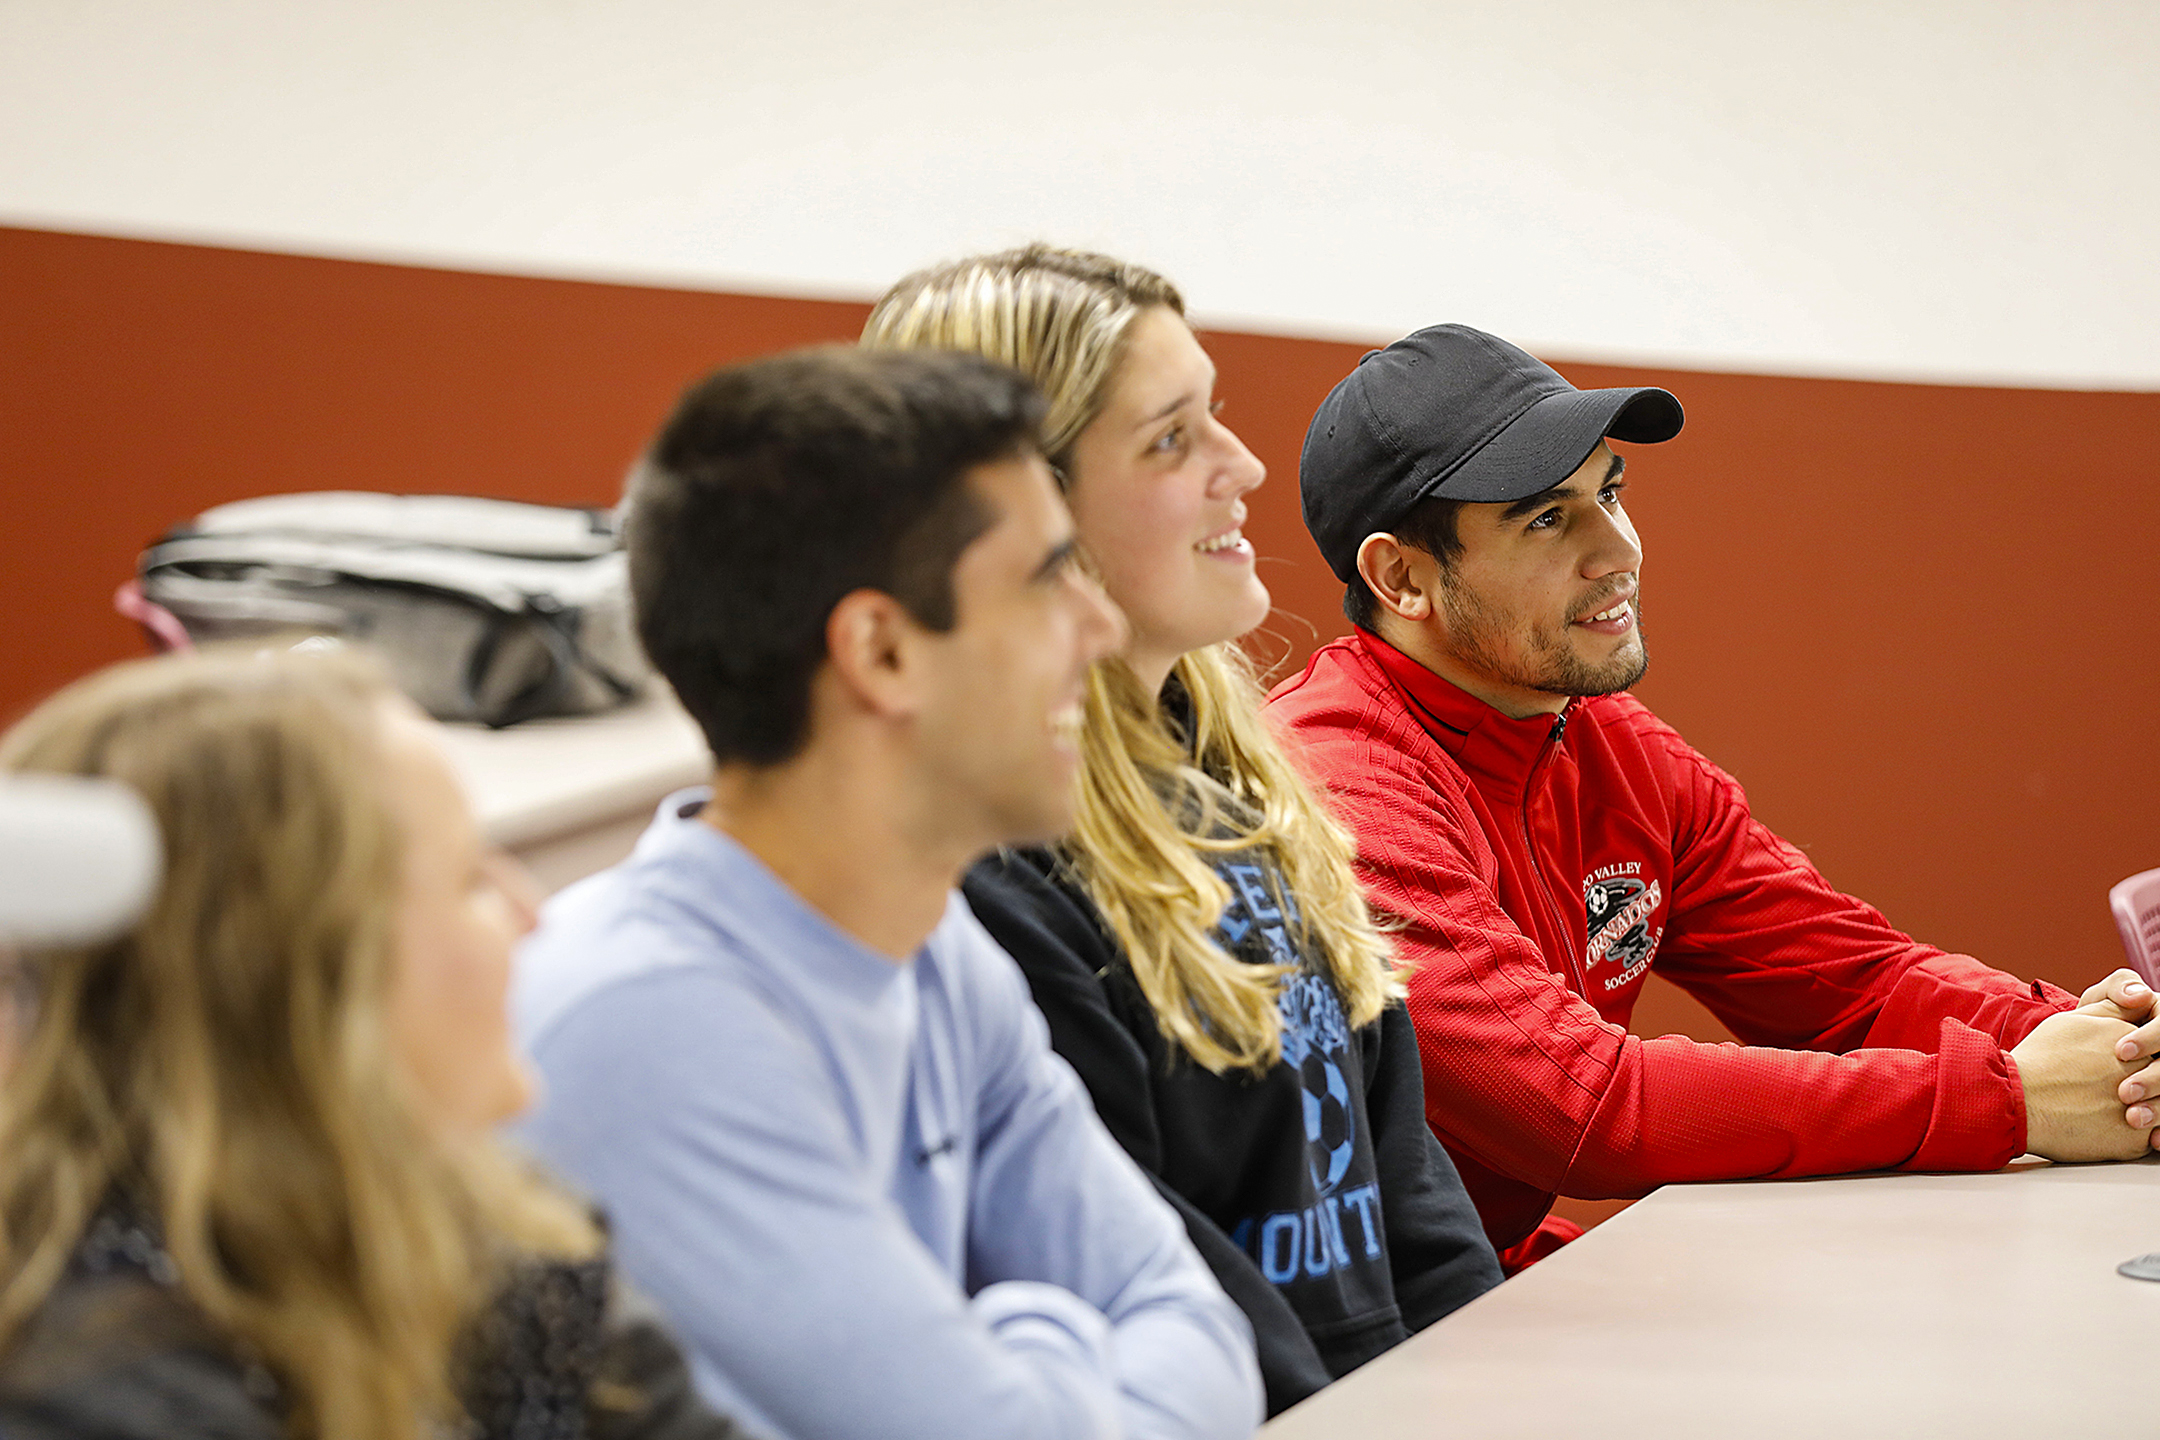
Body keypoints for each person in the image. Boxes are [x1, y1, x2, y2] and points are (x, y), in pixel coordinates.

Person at [1267, 323, 2160, 1271]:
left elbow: (1853, 984)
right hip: (1328, 1346)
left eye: (1609, 495)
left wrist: (2109, 1051)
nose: (1616, 552)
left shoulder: (1599, 737)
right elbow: (1584, 1109)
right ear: (1402, 576)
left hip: (1483, 1276)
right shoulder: (1337, 782)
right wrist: (2010, 1097)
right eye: (1546, 519)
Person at [511, 347, 1263, 1440]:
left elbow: (1202, 1335)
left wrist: (1017, 1351)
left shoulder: (939, 949)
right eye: (1048, 580)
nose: (1100, 631)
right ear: (883, 652)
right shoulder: (648, 1025)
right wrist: (1052, 1327)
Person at [862, 247, 1500, 1418]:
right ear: (1021, 511)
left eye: (1217, 417)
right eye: (1170, 439)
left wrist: (1481, 1394)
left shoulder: (1254, 799)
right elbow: (1157, 1276)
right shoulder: (988, 877)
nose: (1242, 466)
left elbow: (1410, 1189)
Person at [0, 648, 742, 1440]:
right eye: (468, 883)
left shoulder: (490, 1244)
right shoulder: (94, 1389)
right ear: (296, 979)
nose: (531, 917)